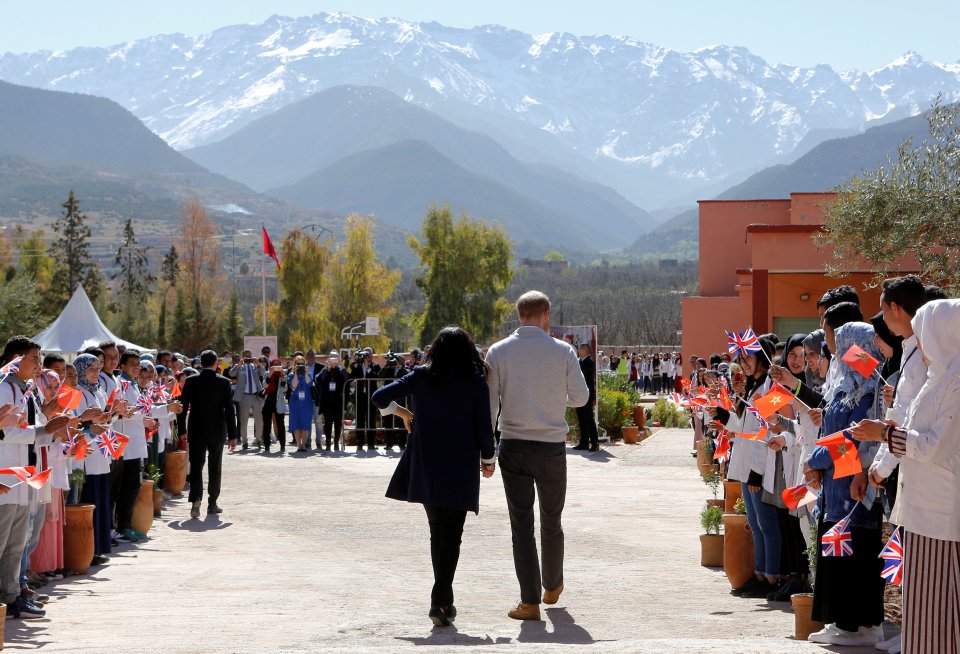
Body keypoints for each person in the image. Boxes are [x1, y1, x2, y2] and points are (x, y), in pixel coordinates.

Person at [371, 326, 495, 627]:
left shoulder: (421, 376)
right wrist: (489, 459)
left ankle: (443, 600)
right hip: (460, 464)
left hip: (426, 462)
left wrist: (402, 413)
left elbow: (378, 397)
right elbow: (483, 427)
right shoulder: (476, 382)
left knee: (438, 530)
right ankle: (440, 599)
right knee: (451, 535)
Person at [485, 291, 590, 621]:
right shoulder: (563, 351)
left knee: (521, 525)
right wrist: (554, 399)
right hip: (551, 447)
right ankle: (553, 585)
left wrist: (486, 453)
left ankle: (529, 602)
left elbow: (490, 406)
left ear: (519, 316)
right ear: (546, 314)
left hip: (513, 445)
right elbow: (581, 397)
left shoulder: (498, 351)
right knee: (552, 520)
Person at [0, 336, 74, 619]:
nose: (38, 366)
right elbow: (5, 433)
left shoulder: (25, 391)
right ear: (16, 359)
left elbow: (35, 432)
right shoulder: (4, 389)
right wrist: (43, 431)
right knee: (2, 541)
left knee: (17, 544)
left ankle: (12, 596)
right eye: (34, 359)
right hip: (6, 475)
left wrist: (53, 426)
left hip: (24, 477)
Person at [180, 350, 237, 519]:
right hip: (217, 430)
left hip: (196, 430)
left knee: (196, 465)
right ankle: (212, 503)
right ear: (216, 364)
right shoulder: (224, 383)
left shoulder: (191, 381)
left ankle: (196, 499)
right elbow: (229, 410)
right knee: (215, 466)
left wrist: (182, 430)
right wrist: (233, 435)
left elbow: (182, 408)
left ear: (200, 363)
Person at [227, 350, 265, 450]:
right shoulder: (239, 367)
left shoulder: (255, 366)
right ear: (242, 356)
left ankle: (258, 439)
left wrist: (259, 364)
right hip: (244, 396)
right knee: (244, 420)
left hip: (256, 396)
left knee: (259, 419)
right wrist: (238, 365)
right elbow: (231, 374)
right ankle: (245, 441)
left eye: (249, 356)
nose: (248, 357)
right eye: (246, 356)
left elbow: (263, 372)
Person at [317, 353, 348, 451]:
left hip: (338, 401)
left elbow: (347, 378)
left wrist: (342, 365)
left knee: (338, 423)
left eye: (335, 358)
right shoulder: (326, 370)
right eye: (332, 358)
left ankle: (336, 444)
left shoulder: (340, 370)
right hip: (327, 401)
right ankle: (328, 443)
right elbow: (319, 379)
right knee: (328, 423)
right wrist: (326, 366)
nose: (333, 361)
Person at [572, 343, 599, 452]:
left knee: (588, 419)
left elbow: (580, 373)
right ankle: (583, 442)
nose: (578, 350)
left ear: (585, 350)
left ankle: (595, 443)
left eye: (580, 349)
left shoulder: (589, 362)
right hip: (579, 393)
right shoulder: (579, 361)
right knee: (581, 418)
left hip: (587, 394)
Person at [287, 355, 314, 452]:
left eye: (302, 363)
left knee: (305, 423)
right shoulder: (291, 375)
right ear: (295, 364)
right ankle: (299, 445)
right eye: (298, 363)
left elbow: (309, 383)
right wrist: (295, 373)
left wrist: (306, 373)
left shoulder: (309, 373)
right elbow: (293, 386)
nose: (300, 365)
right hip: (295, 402)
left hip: (306, 401)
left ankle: (304, 444)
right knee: (296, 422)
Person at [261, 359, 287, 454]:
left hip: (278, 402)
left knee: (281, 424)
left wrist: (283, 376)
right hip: (267, 402)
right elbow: (264, 385)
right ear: (271, 365)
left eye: (278, 364)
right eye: (274, 364)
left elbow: (285, 389)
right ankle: (267, 446)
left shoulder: (282, 374)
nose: (276, 366)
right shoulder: (267, 373)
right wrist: (270, 374)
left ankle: (283, 446)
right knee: (267, 425)